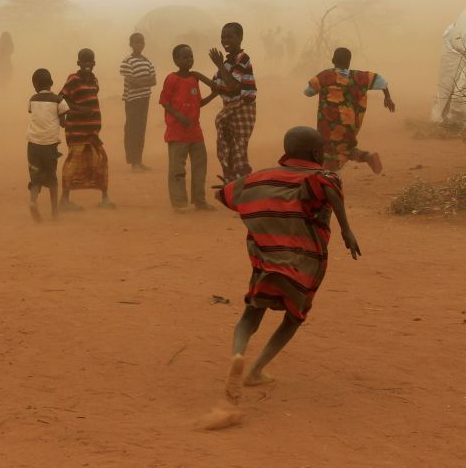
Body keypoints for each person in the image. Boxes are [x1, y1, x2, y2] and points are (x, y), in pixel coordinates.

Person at [216, 126, 361, 405]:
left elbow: (225, 195)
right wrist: (346, 230)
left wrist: (239, 186)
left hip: (266, 262)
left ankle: (237, 354)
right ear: (317, 152)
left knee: (250, 315)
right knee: (294, 317)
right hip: (304, 265)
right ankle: (256, 370)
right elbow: (330, 188)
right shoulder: (321, 177)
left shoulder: (258, 178)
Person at [305, 47, 395, 173]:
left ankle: (328, 177)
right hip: (348, 123)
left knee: (328, 152)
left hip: (328, 124)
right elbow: (381, 81)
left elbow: (307, 92)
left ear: (333, 60)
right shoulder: (358, 77)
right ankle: (367, 157)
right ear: (348, 63)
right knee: (347, 147)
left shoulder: (325, 76)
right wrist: (387, 97)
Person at [158, 45, 217, 212]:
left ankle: (199, 200)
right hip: (177, 132)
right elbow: (164, 102)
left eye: (191, 57)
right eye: (185, 57)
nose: (189, 60)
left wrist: (214, 93)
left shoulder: (194, 79)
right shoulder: (171, 79)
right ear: (175, 60)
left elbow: (199, 103)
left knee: (200, 166)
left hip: (195, 131)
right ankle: (179, 203)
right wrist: (180, 117)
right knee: (177, 168)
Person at [60, 49, 115, 210]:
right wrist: (80, 109)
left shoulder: (93, 80)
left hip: (92, 133)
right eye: (84, 61)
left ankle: (104, 198)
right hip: (76, 132)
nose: (88, 64)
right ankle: (64, 200)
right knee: (73, 164)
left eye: (91, 61)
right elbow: (62, 100)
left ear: (94, 63)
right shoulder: (73, 79)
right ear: (78, 63)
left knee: (101, 161)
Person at [209, 22, 257, 182]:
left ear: (240, 38)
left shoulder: (242, 59)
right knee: (226, 145)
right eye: (223, 37)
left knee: (238, 146)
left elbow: (234, 85)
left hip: (242, 108)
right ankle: (231, 182)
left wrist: (219, 65)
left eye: (230, 36)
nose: (225, 40)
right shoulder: (228, 61)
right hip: (229, 108)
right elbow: (216, 87)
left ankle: (242, 183)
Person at [27, 68, 70, 221]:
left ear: (35, 85)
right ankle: (54, 212)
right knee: (52, 180)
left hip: (32, 145)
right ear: (51, 83)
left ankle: (33, 201)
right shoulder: (59, 100)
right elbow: (64, 124)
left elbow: (33, 113)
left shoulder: (32, 99)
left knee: (35, 178)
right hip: (49, 146)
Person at [119, 33, 157, 172]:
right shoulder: (127, 61)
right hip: (132, 101)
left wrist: (140, 82)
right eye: (136, 42)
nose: (139, 45)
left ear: (144, 44)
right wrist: (144, 82)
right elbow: (132, 82)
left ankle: (139, 161)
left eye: (141, 42)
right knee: (132, 130)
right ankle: (133, 162)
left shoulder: (148, 62)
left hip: (144, 99)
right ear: (131, 44)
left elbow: (154, 81)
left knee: (141, 130)